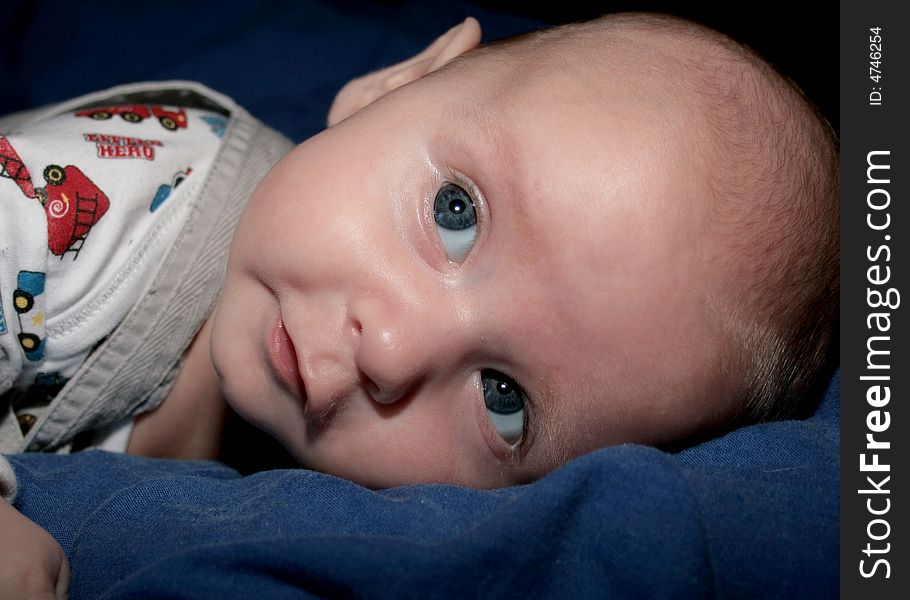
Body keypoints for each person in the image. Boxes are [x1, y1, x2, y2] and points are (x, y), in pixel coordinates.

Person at [1, 13, 839, 593]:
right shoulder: (98, 203)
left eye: (503, 399)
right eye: (455, 213)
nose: (394, 349)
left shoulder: (308, 518)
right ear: (395, 82)